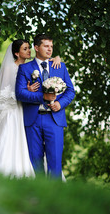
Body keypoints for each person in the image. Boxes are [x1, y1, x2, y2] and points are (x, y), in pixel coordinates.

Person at [0, 39, 61, 178]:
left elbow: (44, 61)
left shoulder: (29, 67)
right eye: (25, 49)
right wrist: (26, 91)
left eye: (29, 48)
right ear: (16, 53)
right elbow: (5, 94)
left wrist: (57, 58)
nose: (29, 51)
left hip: (26, 111)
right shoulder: (10, 68)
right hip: (13, 111)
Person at [15, 34, 75, 178]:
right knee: (35, 162)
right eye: (46, 46)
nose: (50, 49)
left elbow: (70, 91)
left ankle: (54, 197)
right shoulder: (25, 68)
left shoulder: (60, 66)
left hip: (54, 120)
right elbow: (20, 94)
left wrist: (60, 104)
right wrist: (42, 97)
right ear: (36, 48)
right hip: (33, 120)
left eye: (51, 46)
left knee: (55, 163)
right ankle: (39, 196)